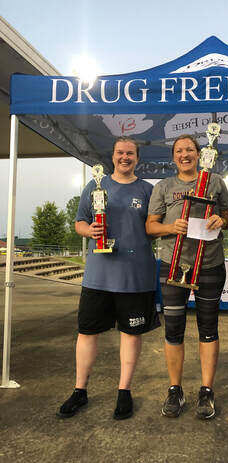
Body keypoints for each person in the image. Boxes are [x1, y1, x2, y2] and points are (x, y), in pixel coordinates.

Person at [57, 137, 160, 420]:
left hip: (135, 275)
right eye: (119, 152)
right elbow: (79, 221)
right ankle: (80, 390)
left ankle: (124, 391)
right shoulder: (94, 186)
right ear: (112, 156)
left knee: (130, 334)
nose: (124, 157)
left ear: (137, 158)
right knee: (87, 332)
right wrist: (88, 231)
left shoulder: (148, 190)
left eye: (130, 153)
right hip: (98, 275)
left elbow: (155, 227)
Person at [146, 134, 228, 420]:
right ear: (173, 157)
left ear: (199, 154)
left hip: (209, 264)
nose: (185, 154)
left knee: (208, 328)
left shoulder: (216, 182)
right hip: (172, 267)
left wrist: (222, 219)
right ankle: (175, 389)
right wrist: (171, 227)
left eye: (190, 150)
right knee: (173, 330)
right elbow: (150, 226)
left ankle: (206, 390)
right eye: (179, 150)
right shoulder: (164, 186)